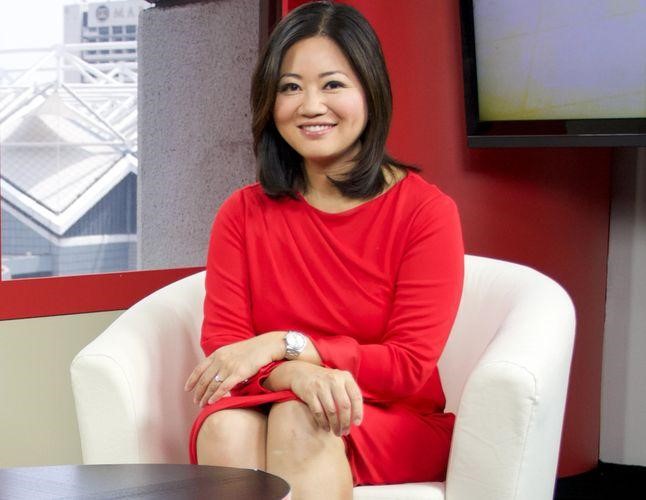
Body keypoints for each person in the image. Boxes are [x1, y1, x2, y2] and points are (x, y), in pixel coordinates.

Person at [184, 1, 464, 498]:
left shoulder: (426, 212)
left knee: (301, 418)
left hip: (391, 418)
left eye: (332, 84)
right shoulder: (242, 212)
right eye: (290, 87)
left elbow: (407, 366)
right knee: (224, 427)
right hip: (277, 398)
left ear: (370, 92)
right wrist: (298, 374)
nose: (310, 106)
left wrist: (283, 344)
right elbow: (228, 350)